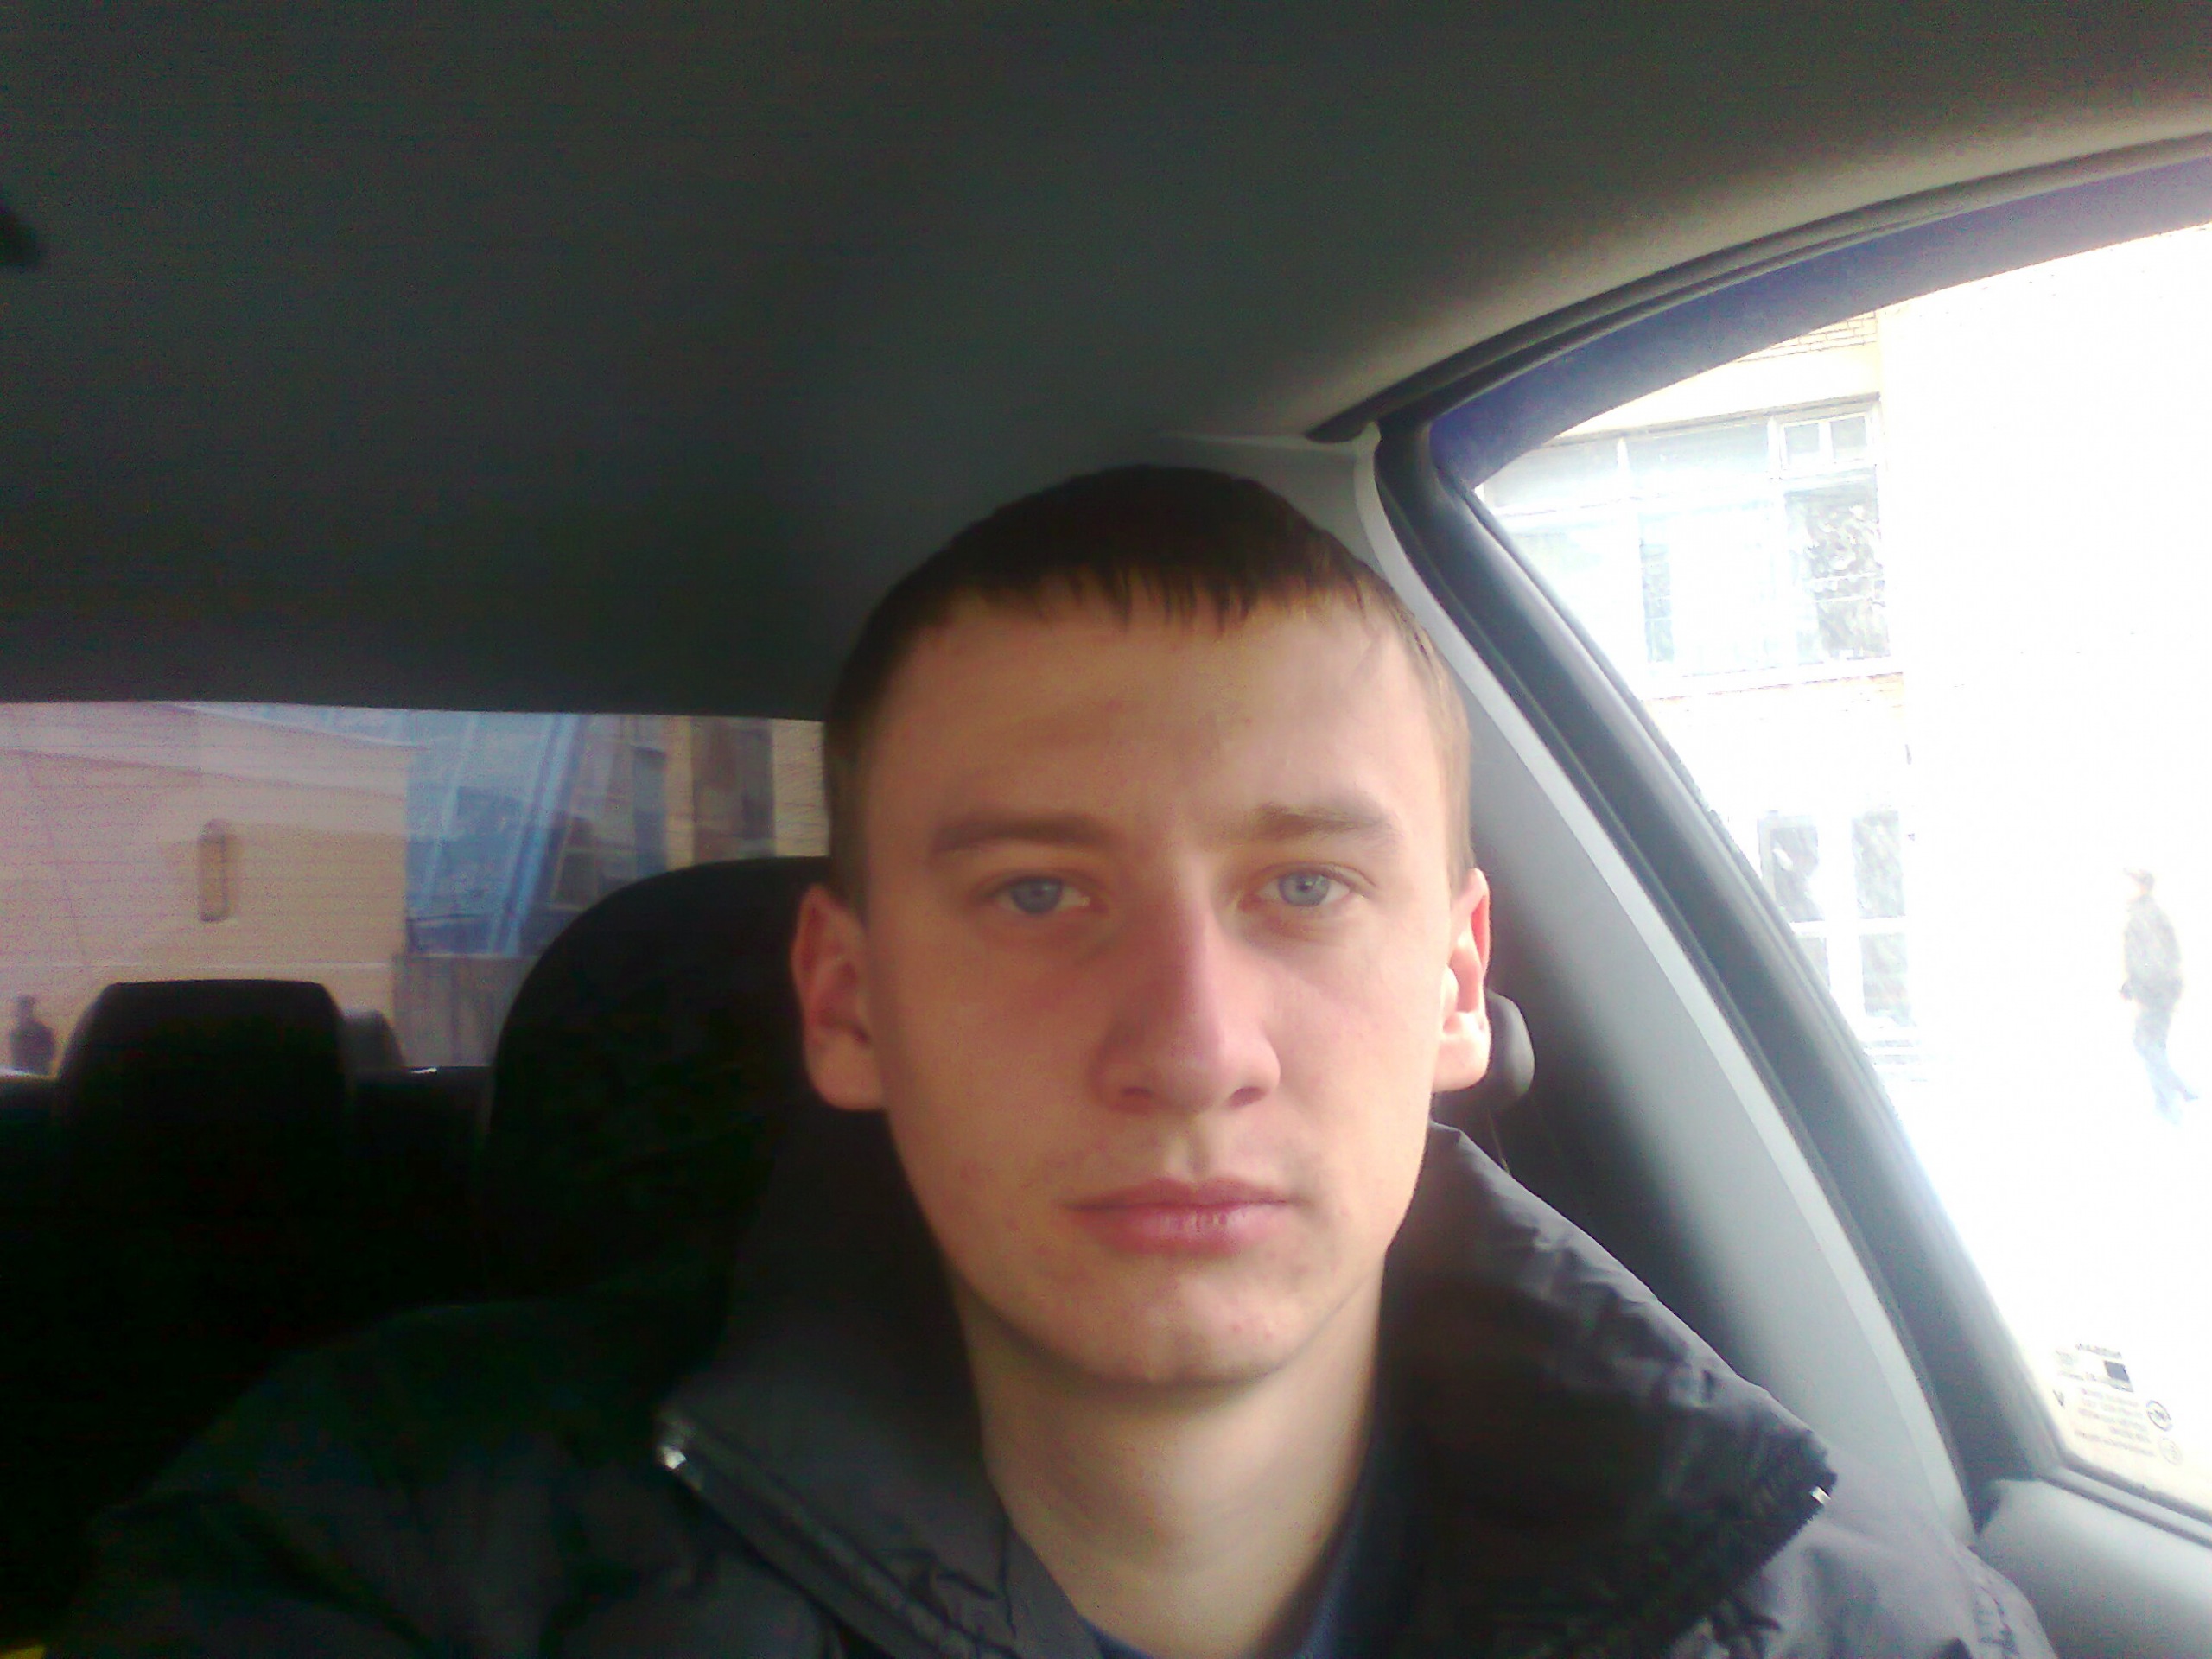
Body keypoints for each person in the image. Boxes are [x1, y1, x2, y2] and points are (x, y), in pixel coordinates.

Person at [54, 468, 2050, 1657]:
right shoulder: (381, 1563)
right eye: (1033, 894)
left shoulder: (1860, 1626)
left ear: (1455, 987)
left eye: (1301, 889)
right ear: (845, 1006)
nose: (1187, 1047)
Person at [2121, 868, 2195, 1123]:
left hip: (2156, 991)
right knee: (2155, 1046)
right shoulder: (2149, 913)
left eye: (2129, 883)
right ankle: (2168, 1100)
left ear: (2142, 887)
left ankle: (2176, 1097)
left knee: (2144, 1043)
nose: (2123, 889)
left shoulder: (2144, 916)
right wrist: (2130, 985)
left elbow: (2153, 961)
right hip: (2163, 989)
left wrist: (2143, 989)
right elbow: (2156, 957)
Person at [8, 995, 57, 1077]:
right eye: (20, 1010)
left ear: (30, 1011)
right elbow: (16, 1060)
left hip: (38, 1076)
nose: (21, 1014)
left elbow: (50, 1054)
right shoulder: (15, 1034)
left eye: (24, 1010)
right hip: (22, 1077)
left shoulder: (44, 1032)